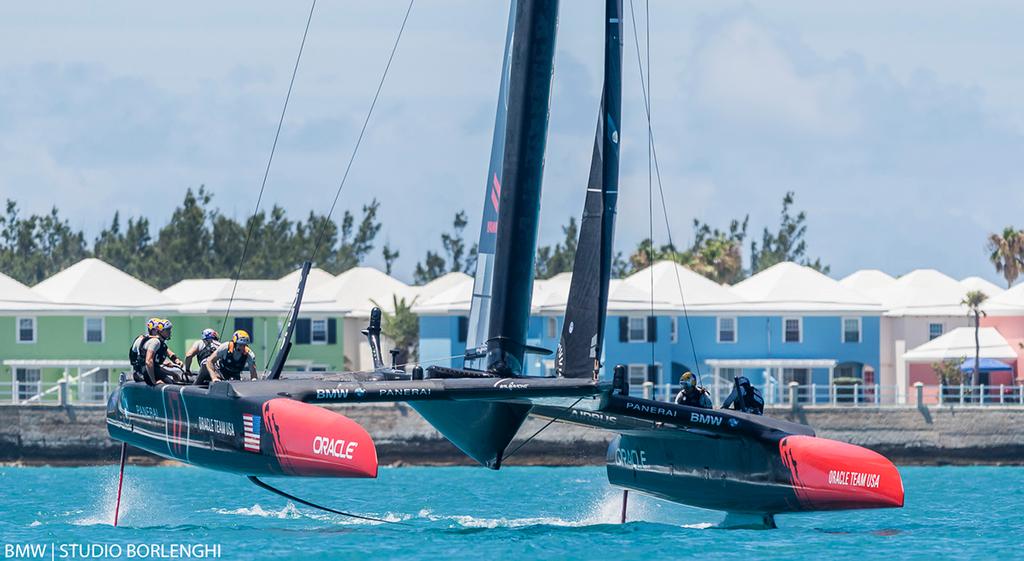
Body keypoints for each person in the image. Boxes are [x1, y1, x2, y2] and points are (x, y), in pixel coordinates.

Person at [131, 319, 185, 385]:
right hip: (143, 373)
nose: (170, 332)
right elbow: (148, 362)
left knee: (172, 381)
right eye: (167, 330)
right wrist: (153, 382)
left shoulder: (158, 342)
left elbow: (166, 353)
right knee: (170, 383)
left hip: (147, 371)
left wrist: (176, 361)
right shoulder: (155, 342)